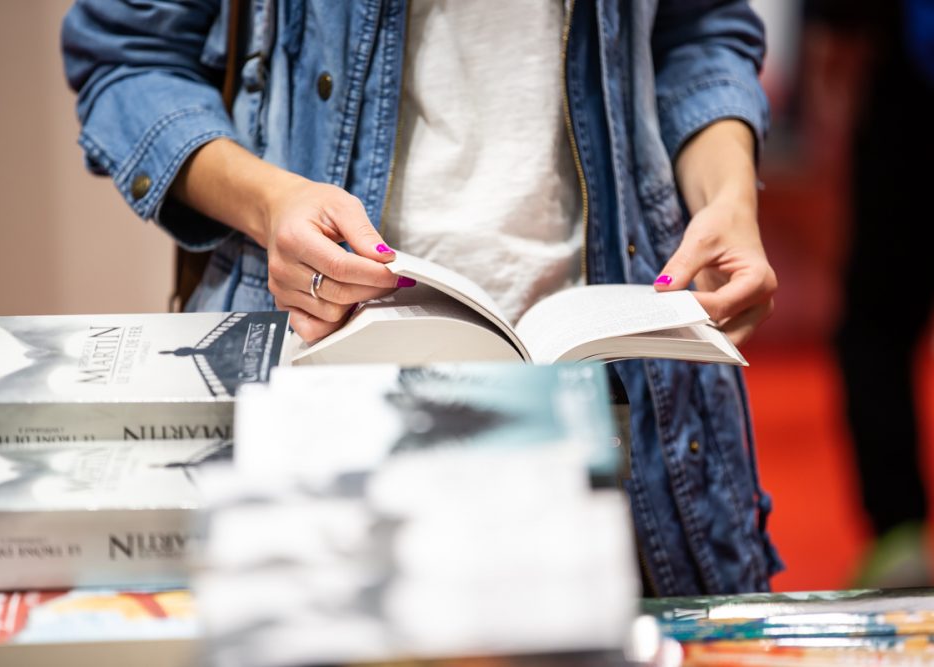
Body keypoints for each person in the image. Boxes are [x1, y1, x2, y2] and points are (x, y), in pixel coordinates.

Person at [62, 0, 781, 595]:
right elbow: (127, 55)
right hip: (323, 378)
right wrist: (270, 203)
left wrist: (731, 199)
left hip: (620, 398)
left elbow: (699, 32)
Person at [804, 0, 934, 587]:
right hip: (905, 89)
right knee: (876, 324)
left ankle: (899, 534)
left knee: (875, 325)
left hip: (907, 98)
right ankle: (900, 538)